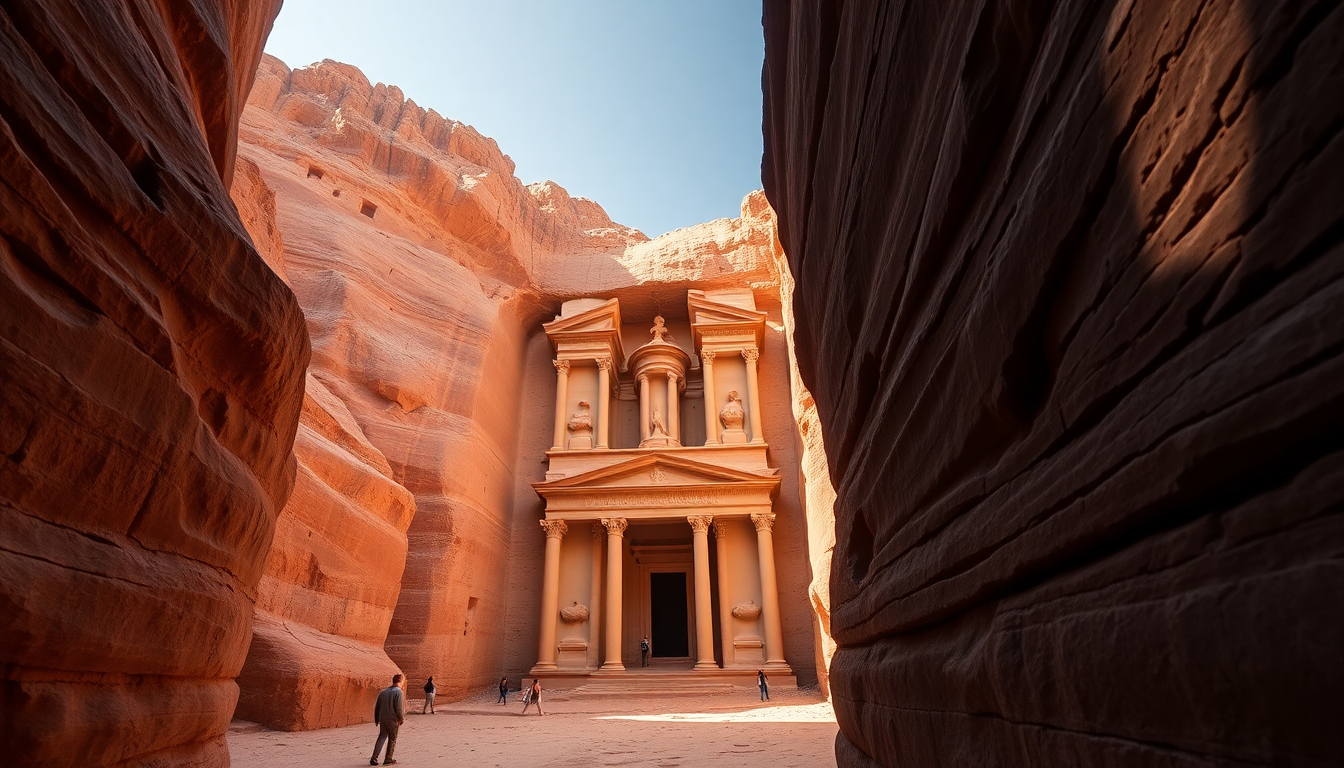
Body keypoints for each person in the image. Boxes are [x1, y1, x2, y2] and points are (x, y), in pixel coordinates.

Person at [370, 673, 406, 766]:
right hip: (393, 718)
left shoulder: (383, 692)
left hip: (383, 718)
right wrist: (401, 718)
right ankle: (388, 758)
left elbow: (377, 706)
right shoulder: (398, 692)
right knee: (392, 738)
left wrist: (377, 719)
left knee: (382, 737)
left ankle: (374, 758)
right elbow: (398, 707)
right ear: (401, 681)